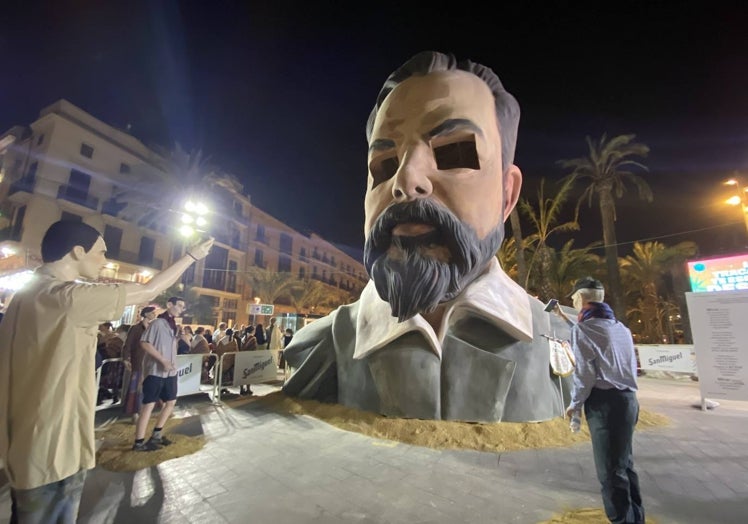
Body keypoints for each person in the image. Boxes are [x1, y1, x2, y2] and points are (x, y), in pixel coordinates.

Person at [283, 51, 573, 423]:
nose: (405, 182)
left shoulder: (561, 342)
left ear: (507, 194)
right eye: (384, 165)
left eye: (453, 152)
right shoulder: (322, 349)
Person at [0, 220, 213, 522]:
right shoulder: (68, 298)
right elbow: (149, 289)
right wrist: (191, 255)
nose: (105, 260)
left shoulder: (27, 294)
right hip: (54, 449)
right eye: (100, 252)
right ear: (76, 252)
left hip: (27, 444)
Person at [564, 277, 644, 523]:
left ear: (582, 299)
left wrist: (574, 405)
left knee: (610, 473)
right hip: (628, 400)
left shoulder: (583, 329)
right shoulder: (621, 328)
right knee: (625, 465)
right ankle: (636, 518)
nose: (573, 302)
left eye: (574, 298)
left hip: (605, 405)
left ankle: (622, 520)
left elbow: (584, 375)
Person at [132, 296, 187, 451]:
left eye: (183, 307)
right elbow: (144, 343)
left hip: (170, 372)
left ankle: (156, 434)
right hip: (155, 371)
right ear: (170, 305)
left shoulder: (173, 326)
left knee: (171, 402)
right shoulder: (157, 323)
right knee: (148, 405)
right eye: (180, 305)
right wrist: (162, 360)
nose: (181, 309)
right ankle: (138, 442)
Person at [123, 306, 158, 422]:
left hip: (150, 362)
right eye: (152, 313)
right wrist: (126, 358)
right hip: (138, 361)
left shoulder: (153, 328)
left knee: (147, 387)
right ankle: (135, 412)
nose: (154, 315)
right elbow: (128, 344)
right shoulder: (136, 328)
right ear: (146, 314)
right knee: (136, 387)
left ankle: (144, 411)